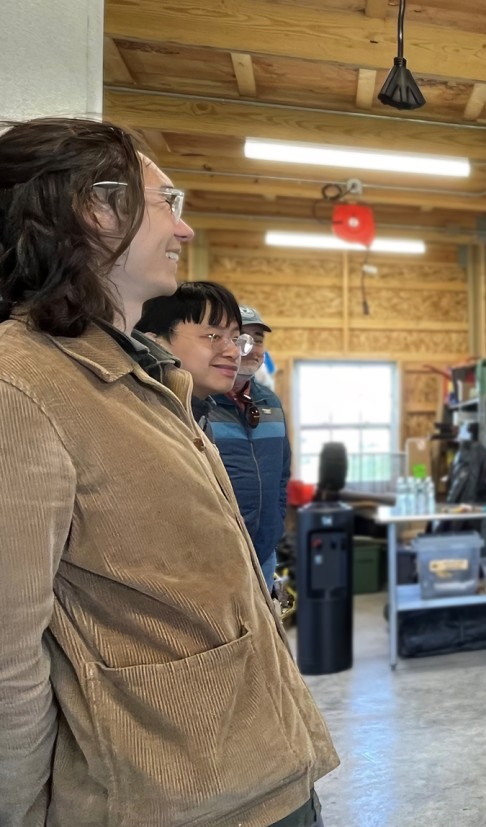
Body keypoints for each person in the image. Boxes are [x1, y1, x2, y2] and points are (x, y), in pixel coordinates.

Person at [0, 117, 336, 827]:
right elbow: (5, 657)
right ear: (95, 208)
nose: (184, 231)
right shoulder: (20, 387)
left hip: (260, 771)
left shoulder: (143, 377)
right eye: (167, 202)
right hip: (175, 801)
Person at [209, 304, 291, 592]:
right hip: (215, 557)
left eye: (258, 340)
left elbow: (282, 474)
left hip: (265, 551)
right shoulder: (199, 402)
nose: (253, 348)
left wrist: (275, 524)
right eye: (243, 338)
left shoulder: (271, 403)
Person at [134, 280, 250, 435]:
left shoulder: (199, 417)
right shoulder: (141, 420)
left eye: (236, 339)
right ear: (155, 343)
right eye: (213, 336)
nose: (234, 352)